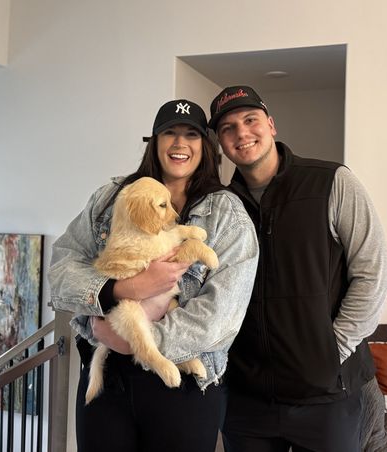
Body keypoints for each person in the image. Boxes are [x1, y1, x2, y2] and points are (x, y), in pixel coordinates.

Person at [48, 98, 259, 452]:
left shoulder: (227, 214)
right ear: (155, 141)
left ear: (205, 145)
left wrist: (138, 343)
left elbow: (221, 316)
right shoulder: (111, 197)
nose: (179, 143)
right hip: (109, 380)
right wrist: (119, 289)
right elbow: (62, 266)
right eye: (169, 133)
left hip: (182, 385)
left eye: (191, 134)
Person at [208, 85, 387, 452]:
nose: (242, 133)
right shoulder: (221, 206)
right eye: (228, 128)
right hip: (247, 399)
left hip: (326, 396)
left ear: (271, 125)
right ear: (221, 143)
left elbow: (372, 273)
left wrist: (331, 352)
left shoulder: (332, 181)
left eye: (250, 119)